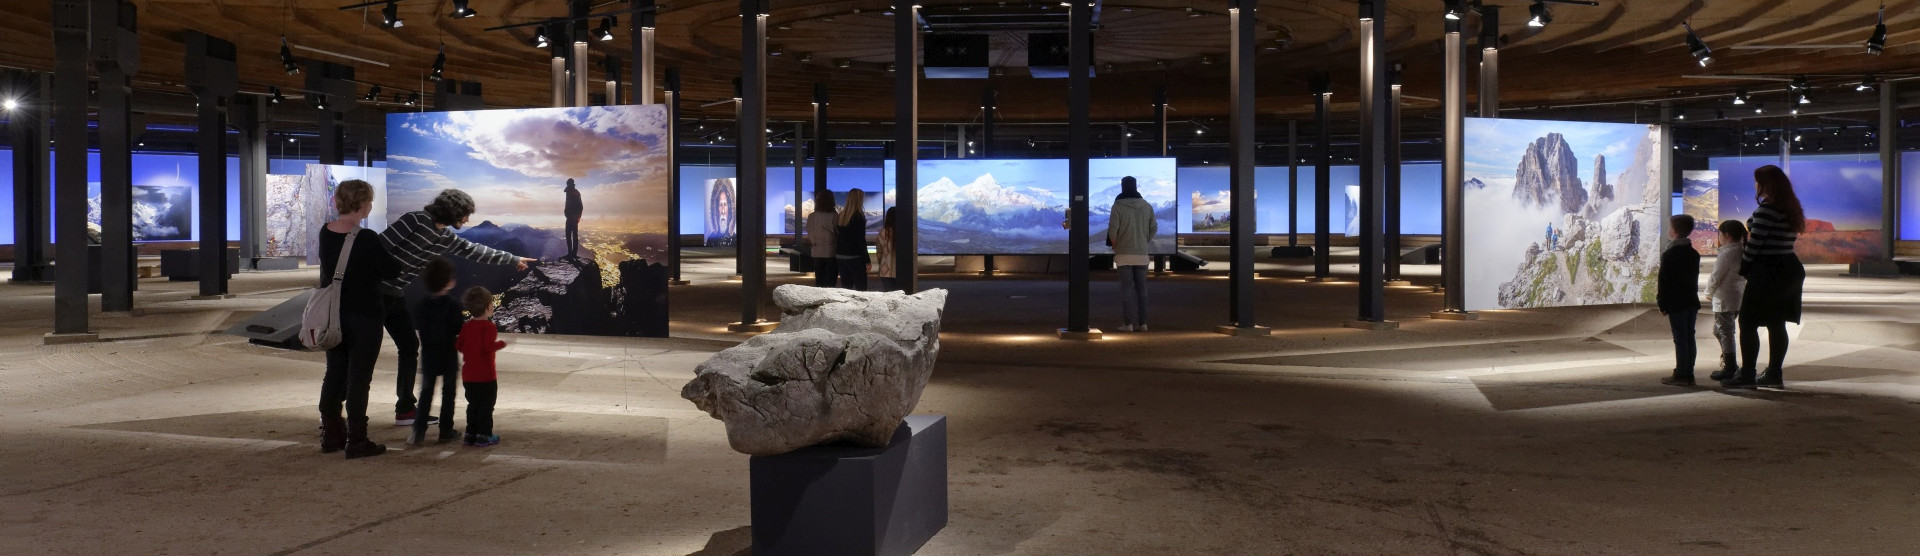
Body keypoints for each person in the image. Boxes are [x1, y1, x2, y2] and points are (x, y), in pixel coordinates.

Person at [379, 190, 534, 427]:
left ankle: (405, 410)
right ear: (453, 211)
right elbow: (378, 248)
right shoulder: (415, 220)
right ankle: (336, 412)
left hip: (395, 294)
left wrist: (512, 259)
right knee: (360, 352)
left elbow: (473, 250)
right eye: (465, 214)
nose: (467, 220)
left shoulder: (445, 236)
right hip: (372, 293)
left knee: (409, 347)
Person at [316, 179, 400, 459]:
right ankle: (357, 439)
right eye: (369, 201)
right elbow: (392, 270)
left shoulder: (325, 232)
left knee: (334, 372)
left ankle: (331, 434)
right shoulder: (366, 238)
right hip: (365, 315)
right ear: (363, 204)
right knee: (359, 378)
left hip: (334, 314)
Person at [1724, 165, 1806, 389]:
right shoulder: (1789, 207)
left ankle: (1747, 373)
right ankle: (1774, 373)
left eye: (1757, 181)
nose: (1755, 185)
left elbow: (1755, 244)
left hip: (1769, 270)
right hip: (1788, 267)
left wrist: (1744, 267)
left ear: (1765, 184)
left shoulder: (1767, 209)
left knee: (1747, 322)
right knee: (1776, 323)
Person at [406, 257, 464, 447]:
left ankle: (418, 430)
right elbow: (458, 328)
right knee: (448, 393)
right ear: (450, 281)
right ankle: (446, 430)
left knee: (426, 392)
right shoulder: (453, 305)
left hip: (429, 355)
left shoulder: (421, 305)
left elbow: (419, 325)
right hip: (448, 354)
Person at [457, 286, 507, 447]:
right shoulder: (489, 327)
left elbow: (459, 345)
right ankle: (484, 435)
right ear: (488, 307)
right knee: (487, 406)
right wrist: (501, 343)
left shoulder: (467, 326)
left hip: (468, 375)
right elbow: (487, 347)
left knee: (473, 405)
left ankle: (470, 434)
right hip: (486, 376)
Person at [1107, 176, 1158, 332]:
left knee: (1127, 290)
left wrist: (1116, 246)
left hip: (1123, 254)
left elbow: (1112, 231)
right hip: (1141, 254)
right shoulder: (1146, 206)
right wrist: (1144, 240)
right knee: (1142, 290)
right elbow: (1154, 228)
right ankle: (1143, 324)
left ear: (1122, 187)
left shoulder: (1117, 206)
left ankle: (1128, 324)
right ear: (1136, 186)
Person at [1656, 214, 1702, 386]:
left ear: (1674, 232)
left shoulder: (1669, 254)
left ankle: (1682, 374)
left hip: (1676, 303)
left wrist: (1662, 302)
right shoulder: (1694, 254)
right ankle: (1688, 373)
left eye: (1669, 227)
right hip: (1691, 301)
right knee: (1689, 337)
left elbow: (1664, 281)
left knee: (1680, 339)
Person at [1706, 220, 1748, 382]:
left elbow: (1716, 276)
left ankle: (1730, 366)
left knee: (1725, 332)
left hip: (1724, 298)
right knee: (1720, 330)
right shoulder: (1742, 251)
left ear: (1727, 235)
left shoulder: (1727, 253)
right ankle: (1729, 361)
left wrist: (1708, 292)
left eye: (1720, 234)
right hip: (1738, 297)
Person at [835, 189, 870, 291]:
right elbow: (860, 240)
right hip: (854, 256)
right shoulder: (858, 216)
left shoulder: (841, 215)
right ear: (859, 199)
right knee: (861, 288)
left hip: (841, 255)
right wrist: (867, 260)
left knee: (846, 288)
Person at [806, 189, 839, 287]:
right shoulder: (834, 216)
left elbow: (809, 232)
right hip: (831, 253)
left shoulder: (811, 216)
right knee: (830, 283)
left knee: (819, 282)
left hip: (816, 252)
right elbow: (838, 233)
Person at [705, 179, 736, 247]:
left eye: (725, 204)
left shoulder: (736, 239)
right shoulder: (710, 240)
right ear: (716, 209)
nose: (723, 211)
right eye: (720, 205)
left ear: (730, 208)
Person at [875, 206, 899, 291]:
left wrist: (880, 263)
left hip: (885, 270)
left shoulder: (883, 232)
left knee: (890, 296)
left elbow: (879, 253)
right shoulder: (903, 232)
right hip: (901, 270)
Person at [564, 179, 584, 260]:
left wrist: (577, 216)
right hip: (573, 217)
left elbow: (579, 206)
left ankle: (571, 254)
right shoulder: (573, 192)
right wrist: (578, 216)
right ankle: (573, 254)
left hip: (571, 217)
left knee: (569, 235)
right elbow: (580, 206)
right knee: (573, 235)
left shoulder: (571, 192)